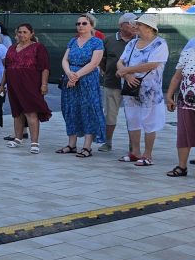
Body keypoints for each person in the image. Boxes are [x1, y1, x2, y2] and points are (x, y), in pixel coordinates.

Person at [116, 14, 168, 166]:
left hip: (150, 91)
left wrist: (126, 70)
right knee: (132, 120)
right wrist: (127, 76)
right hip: (131, 88)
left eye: (139, 24)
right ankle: (135, 152)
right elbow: (120, 62)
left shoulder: (160, 44)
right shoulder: (132, 43)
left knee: (149, 121)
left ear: (149, 28)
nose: (135, 27)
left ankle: (147, 155)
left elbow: (152, 64)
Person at [57, 13, 106, 158]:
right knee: (70, 109)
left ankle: (87, 146)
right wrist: (69, 74)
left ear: (91, 25)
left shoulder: (97, 42)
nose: (80, 26)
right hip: (70, 80)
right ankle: (71, 144)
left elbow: (94, 63)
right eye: (78, 23)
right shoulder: (73, 41)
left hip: (87, 81)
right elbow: (65, 60)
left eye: (84, 23)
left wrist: (76, 76)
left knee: (88, 110)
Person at [2, 24, 51, 154]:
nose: (22, 34)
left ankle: (34, 142)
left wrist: (44, 84)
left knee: (31, 112)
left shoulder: (38, 47)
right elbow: (7, 68)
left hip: (31, 84)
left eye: (25, 32)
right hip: (13, 85)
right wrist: (2, 85)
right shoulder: (12, 48)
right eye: (20, 32)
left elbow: (45, 67)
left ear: (31, 33)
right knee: (17, 112)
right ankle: (17, 138)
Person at [98, 13, 138, 153]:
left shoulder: (139, 40)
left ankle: (133, 146)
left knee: (133, 116)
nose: (134, 26)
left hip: (134, 84)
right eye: (131, 23)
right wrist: (108, 71)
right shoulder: (108, 40)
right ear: (121, 25)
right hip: (112, 83)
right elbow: (102, 60)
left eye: (136, 23)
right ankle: (107, 143)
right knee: (110, 114)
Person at [165, 44, 195, 177]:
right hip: (186, 102)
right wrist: (169, 95)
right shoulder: (188, 52)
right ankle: (182, 167)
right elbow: (177, 77)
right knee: (183, 133)